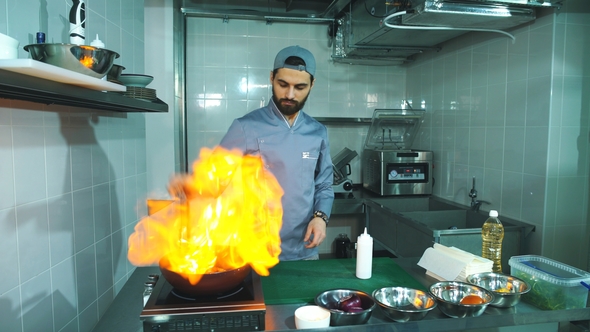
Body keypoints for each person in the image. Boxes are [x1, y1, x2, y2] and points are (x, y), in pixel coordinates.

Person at [219, 45, 334, 261]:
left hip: (304, 250)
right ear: (272, 78)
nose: (290, 95)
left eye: (300, 87)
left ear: (312, 85)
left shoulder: (318, 132)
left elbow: (324, 185)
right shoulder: (245, 127)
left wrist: (320, 217)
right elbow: (215, 181)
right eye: (283, 84)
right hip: (254, 252)